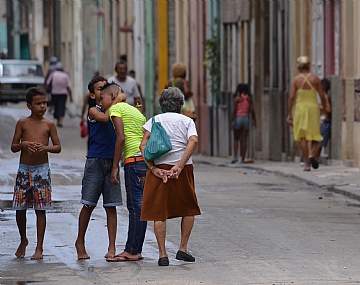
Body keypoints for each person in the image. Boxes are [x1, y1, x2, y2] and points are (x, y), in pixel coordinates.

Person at [139, 87, 201, 266]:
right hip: (182, 169)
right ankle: (182, 248)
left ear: (161, 105)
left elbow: (143, 145)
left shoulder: (154, 120)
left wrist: (152, 168)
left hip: (159, 170)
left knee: (159, 212)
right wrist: (180, 166)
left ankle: (162, 254)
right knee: (188, 208)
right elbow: (194, 140)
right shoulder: (187, 121)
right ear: (181, 105)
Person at [75, 76, 126, 260]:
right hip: (95, 161)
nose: (103, 90)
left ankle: (111, 247)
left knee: (111, 207)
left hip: (112, 162)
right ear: (92, 94)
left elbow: (124, 95)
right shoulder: (94, 111)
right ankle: (80, 241)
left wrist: (119, 98)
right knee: (88, 204)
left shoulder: (117, 110)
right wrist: (117, 99)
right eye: (99, 88)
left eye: (106, 87)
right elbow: (105, 118)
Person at [99, 82, 148, 262]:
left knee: (135, 207)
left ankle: (132, 251)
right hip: (144, 161)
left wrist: (114, 167)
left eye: (102, 99)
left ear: (111, 96)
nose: (101, 103)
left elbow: (121, 138)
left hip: (132, 162)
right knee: (141, 207)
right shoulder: (135, 111)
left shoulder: (116, 110)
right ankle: (137, 249)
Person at [11, 87, 61, 259]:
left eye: (44, 103)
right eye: (38, 103)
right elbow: (13, 146)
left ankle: (39, 247)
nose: (42, 107)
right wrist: (24, 145)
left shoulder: (49, 124)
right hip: (24, 170)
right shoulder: (22, 123)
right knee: (20, 208)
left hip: (42, 171)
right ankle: (23, 239)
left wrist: (45, 147)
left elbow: (57, 147)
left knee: (41, 209)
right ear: (29, 106)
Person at [287, 56, 326, 171]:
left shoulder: (296, 80)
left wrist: (289, 113)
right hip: (313, 107)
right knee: (315, 134)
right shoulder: (315, 79)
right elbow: (322, 95)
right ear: (309, 66)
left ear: (299, 67)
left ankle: (307, 164)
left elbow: (291, 97)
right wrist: (323, 108)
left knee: (303, 136)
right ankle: (311, 155)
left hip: (301, 108)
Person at [229, 83, 257, 164]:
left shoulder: (237, 99)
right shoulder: (249, 99)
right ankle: (243, 158)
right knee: (244, 139)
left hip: (238, 118)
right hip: (246, 119)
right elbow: (252, 110)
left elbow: (234, 111)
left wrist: (231, 121)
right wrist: (254, 120)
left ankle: (235, 157)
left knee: (236, 139)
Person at [45, 62, 73, 127]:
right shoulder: (65, 75)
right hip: (63, 94)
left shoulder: (53, 74)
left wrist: (47, 93)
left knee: (56, 106)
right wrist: (71, 96)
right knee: (61, 106)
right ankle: (60, 120)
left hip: (54, 93)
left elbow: (48, 83)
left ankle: (58, 120)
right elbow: (68, 87)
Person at [314, 78, 331, 162]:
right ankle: (315, 159)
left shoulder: (325, 96)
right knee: (320, 142)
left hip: (325, 122)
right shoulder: (323, 96)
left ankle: (313, 158)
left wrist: (321, 107)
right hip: (323, 121)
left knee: (320, 142)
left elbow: (328, 109)